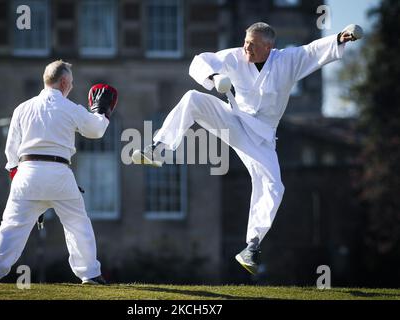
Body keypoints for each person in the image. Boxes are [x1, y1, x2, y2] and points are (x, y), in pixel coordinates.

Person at [132, 22, 360, 275]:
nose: (246, 47)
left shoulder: (287, 61)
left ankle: (251, 246)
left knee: (274, 185)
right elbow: (200, 61)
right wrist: (216, 77)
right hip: (233, 120)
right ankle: (158, 148)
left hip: (261, 138)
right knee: (193, 99)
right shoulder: (234, 56)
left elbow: (313, 50)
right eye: (245, 41)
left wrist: (340, 37)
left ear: (268, 47)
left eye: (252, 44)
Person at [0, 60, 118, 284]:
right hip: (59, 172)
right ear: (63, 82)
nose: (71, 86)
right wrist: (102, 112)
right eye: (70, 82)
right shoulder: (70, 108)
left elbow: (10, 151)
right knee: (78, 224)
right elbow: (96, 130)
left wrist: (18, 179)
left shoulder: (22, 108)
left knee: (11, 225)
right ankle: (89, 274)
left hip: (27, 171)